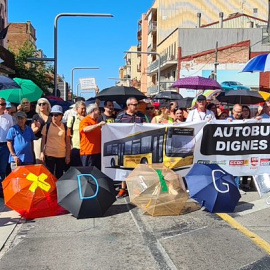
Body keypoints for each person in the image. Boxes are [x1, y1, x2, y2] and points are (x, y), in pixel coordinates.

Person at [115, 97, 146, 198]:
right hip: (124, 146)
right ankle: (123, 188)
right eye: (134, 104)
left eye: (137, 104)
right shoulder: (120, 116)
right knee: (124, 168)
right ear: (128, 105)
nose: (136, 106)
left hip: (138, 146)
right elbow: (115, 129)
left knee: (137, 168)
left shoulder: (141, 116)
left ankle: (136, 188)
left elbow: (147, 127)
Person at [40, 105, 71, 179]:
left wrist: (68, 156)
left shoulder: (65, 128)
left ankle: (58, 190)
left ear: (61, 116)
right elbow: (43, 141)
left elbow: (68, 143)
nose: (54, 117)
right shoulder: (46, 127)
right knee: (49, 175)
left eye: (56, 115)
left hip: (61, 155)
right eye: (52, 115)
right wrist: (42, 153)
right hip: (49, 154)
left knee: (59, 175)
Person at [79, 103, 105, 170]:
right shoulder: (85, 120)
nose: (99, 112)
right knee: (88, 174)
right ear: (93, 111)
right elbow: (85, 129)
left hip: (97, 153)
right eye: (98, 110)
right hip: (88, 153)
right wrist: (98, 125)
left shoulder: (95, 121)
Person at [31, 98, 52, 164]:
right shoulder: (36, 117)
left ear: (47, 105)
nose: (41, 106)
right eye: (40, 104)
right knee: (39, 160)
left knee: (50, 160)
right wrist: (38, 127)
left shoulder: (52, 116)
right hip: (38, 140)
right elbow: (33, 131)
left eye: (43, 104)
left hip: (50, 140)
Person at [0, 97, 13, 197]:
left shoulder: (9, 117)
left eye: (4, 104)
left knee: (3, 169)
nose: (2, 106)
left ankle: (2, 191)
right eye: (1, 104)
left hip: (4, 146)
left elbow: (11, 132)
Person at [67, 100, 86, 166]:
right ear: (77, 109)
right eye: (82, 108)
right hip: (75, 148)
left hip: (85, 148)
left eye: (84, 108)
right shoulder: (72, 119)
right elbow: (68, 134)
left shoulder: (87, 119)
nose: (83, 110)